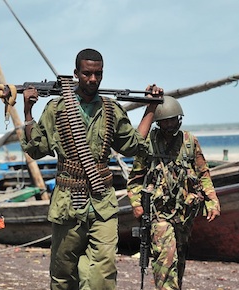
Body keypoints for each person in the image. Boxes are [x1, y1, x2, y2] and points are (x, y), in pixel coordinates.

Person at [20, 48, 162, 289]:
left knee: (103, 272)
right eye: (87, 74)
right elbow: (36, 149)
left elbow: (133, 146)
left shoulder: (110, 109)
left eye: (98, 74)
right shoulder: (57, 109)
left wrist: (151, 107)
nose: (93, 79)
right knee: (63, 273)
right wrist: (28, 111)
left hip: (102, 200)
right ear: (76, 74)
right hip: (67, 201)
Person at [127, 96, 221, 290]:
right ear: (158, 122)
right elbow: (135, 178)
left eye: (173, 119)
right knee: (165, 260)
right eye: (166, 120)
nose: (170, 124)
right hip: (158, 214)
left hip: (183, 213)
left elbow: (203, 173)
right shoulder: (148, 143)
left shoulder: (189, 142)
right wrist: (136, 204)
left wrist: (212, 200)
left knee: (178, 262)